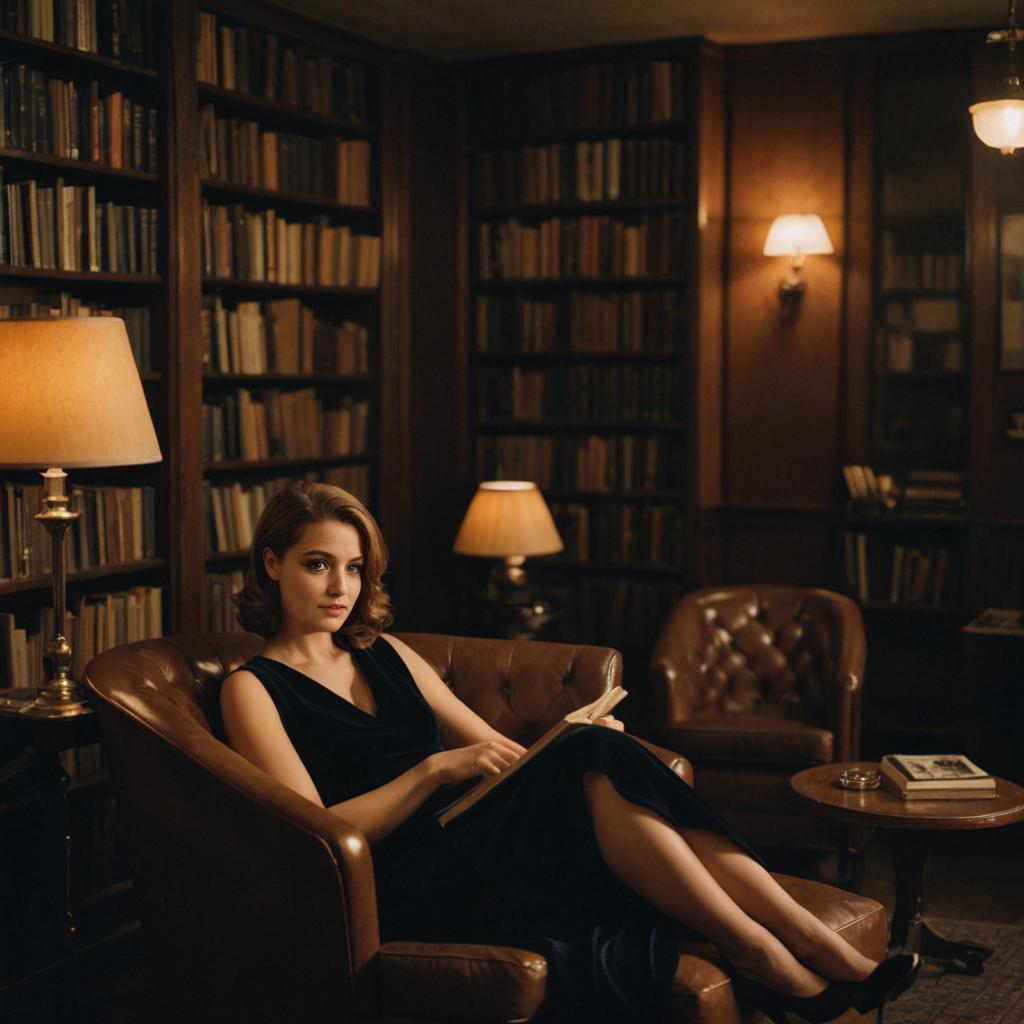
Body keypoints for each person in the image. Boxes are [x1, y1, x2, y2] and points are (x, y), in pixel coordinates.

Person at [219, 482, 919, 1023]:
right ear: (272, 563)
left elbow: (501, 752)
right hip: (407, 880)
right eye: (318, 565)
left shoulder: (389, 653)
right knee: (591, 759)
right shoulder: (253, 689)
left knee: (598, 751)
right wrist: (431, 768)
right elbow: (317, 833)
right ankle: (767, 949)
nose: (341, 587)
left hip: (475, 840)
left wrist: (571, 745)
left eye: (353, 567)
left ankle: (792, 939)